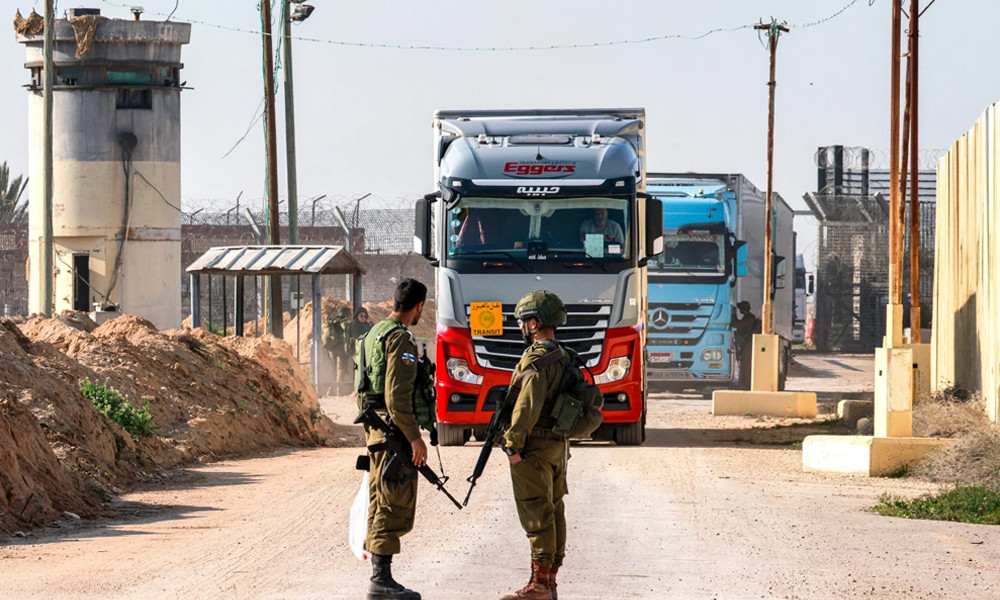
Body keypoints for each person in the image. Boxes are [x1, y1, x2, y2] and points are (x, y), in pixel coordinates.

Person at [356, 279, 428, 600]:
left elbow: (361, 389)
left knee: (379, 498)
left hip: (376, 430)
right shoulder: (399, 340)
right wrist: (415, 439)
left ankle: (380, 576)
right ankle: (381, 580)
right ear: (418, 307)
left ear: (392, 301)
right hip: (392, 432)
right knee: (391, 500)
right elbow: (397, 397)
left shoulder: (372, 334)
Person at [500, 290, 571, 600]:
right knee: (554, 510)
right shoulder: (563, 354)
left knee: (536, 511)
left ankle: (538, 585)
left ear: (534, 323)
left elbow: (526, 404)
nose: (521, 327)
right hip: (557, 446)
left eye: (523, 322)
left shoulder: (536, 357)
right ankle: (550, 580)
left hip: (534, 447)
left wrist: (512, 445)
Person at [732, 300, 761, 390]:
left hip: (748, 345)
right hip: (746, 344)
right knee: (744, 365)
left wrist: (733, 315)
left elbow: (736, 324)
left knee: (746, 365)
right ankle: (744, 384)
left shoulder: (749, 318)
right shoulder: (748, 317)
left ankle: (746, 385)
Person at [323, 306, 352, 390]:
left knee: (333, 369)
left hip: (331, 347)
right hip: (341, 349)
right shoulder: (343, 321)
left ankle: (330, 390)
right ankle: (339, 391)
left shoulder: (333, 321)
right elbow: (347, 330)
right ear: (346, 314)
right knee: (340, 370)